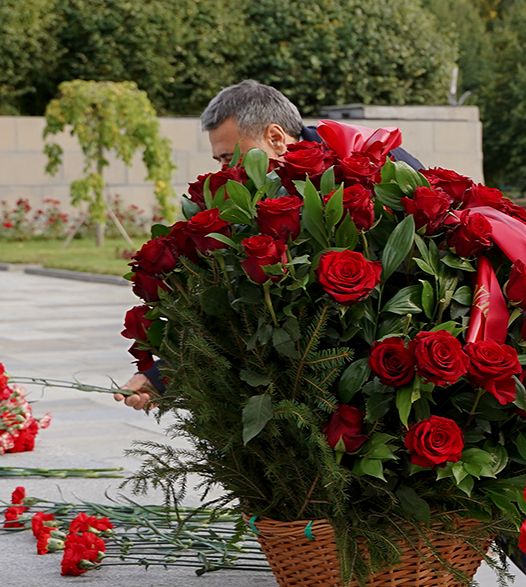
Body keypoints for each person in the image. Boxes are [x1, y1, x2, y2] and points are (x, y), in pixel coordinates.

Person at [116, 80, 419, 411]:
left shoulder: (370, 159)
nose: (224, 172)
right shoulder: (240, 205)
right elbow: (234, 312)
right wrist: (162, 375)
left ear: (276, 138)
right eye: (219, 160)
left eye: (230, 158)